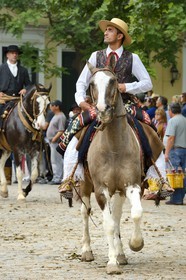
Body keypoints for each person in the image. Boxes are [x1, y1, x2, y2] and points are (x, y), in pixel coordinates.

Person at [59, 17, 171, 194]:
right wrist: (81, 100)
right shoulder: (96, 56)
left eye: (110, 30)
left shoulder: (132, 58)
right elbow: (81, 82)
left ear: (120, 35)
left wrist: (126, 87)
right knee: (74, 130)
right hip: (98, 105)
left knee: (150, 129)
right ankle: (69, 178)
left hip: (125, 104)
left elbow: (147, 83)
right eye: (106, 30)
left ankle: (161, 179)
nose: (105, 32)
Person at [0, 44, 32, 183]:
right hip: (3, 99)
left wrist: (25, 90)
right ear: (7, 55)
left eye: (16, 53)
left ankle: (33, 137)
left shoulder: (23, 70)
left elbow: (29, 85)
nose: (14, 55)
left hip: (17, 100)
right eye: (12, 53)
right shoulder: (1, 68)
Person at [164, 103, 186, 205]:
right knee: (183, 175)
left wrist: (167, 153)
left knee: (175, 174)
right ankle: (180, 197)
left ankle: (176, 199)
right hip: (185, 150)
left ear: (171, 111)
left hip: (176, 150)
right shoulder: (184, 119)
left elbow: (171, 138)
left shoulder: (172, 121)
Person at [46, 100, 66, 185]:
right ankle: (56, 176)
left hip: (56, 141)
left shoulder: (61, 116)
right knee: (53, 160)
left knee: (56, 160)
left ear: (57, 106)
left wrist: (54, 138)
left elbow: (61, 130)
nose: (50, 107)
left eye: (52, 105)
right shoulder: (55, 116)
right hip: (51, 141)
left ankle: (58, 178)